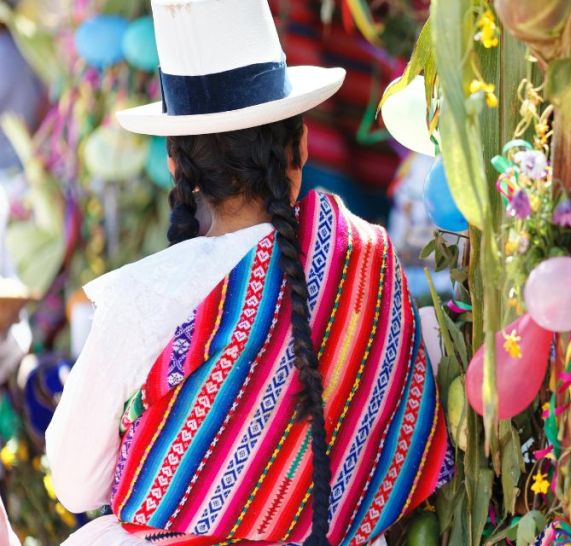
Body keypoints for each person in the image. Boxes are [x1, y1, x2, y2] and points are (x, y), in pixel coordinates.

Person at [44, 1, 449, 544]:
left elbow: (75, 484)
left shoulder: (143, 299)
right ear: (301, 146)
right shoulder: (365, 257)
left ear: (175, 164)